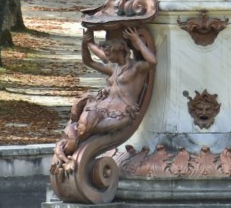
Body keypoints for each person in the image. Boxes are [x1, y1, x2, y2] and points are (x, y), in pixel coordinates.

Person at [52, 26, 157, 170]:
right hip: (103, 111)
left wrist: (137, 40)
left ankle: (66, 154)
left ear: (119, 50)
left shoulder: (136, 68)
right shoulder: (114, 69)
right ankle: (65, 153)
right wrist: (85, 43)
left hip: (121, 115)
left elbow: (152, 62)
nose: (105, 56)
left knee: (84, 127)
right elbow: (88, 61)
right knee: (79, 121)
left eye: (108, 53)